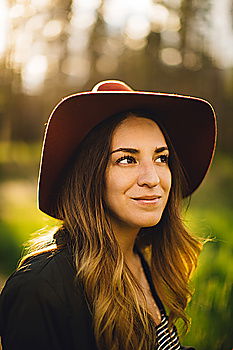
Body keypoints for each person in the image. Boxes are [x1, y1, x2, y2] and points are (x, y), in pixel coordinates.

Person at [0, 80, 216, 350]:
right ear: (89, 176)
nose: (152, 178)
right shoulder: (40, 290)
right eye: (127, 159)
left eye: (161, 158)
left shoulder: (140, 259)